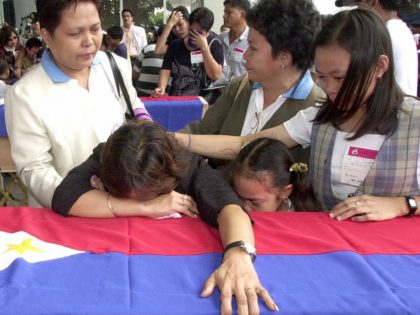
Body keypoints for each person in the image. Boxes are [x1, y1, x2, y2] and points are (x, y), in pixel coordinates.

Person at [176, 8, 420, 221]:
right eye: (321, 77)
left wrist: (404, 204)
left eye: (340, 78)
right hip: (330, 248)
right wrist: (173, 139)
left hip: (395, 258)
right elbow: (243, 144)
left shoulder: (414, 122)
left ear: (379, 67)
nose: (330, 89)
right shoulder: (318, 118)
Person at [52, 120, 278, 314]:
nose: (139, 200)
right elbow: (65, 196)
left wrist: (239, 255)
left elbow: (230, 207)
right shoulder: (108, 156)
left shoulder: (185, 165)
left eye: (147, 195)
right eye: (132, 197)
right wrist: (146, 206)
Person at [5, 0, 151, 208]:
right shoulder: (25, 94)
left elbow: (133, 105)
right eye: (75, 33)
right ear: (47, 35)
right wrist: (94, 203)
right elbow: (35, 169)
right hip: (66, 214)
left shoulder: (114, 65)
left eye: (95, 29)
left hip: (124, 197)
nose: (89, 41)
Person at [180, 0, 324, 171]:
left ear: (284, 56)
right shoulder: (238, 88)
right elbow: (202, 129)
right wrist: (166, 140)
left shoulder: (317, 110)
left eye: (253, 48)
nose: (245, 56)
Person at [153, 7, 224, 102]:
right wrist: (161, 88)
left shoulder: (214, 44)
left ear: (207, 32)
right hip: (178, 100)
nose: (194, 36)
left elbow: (215, 75)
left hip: (204, 103)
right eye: (191, 31)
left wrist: (204, 48)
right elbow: (166, 69)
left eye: (199, 33)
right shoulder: (176, 44)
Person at [231, 138, 319, 212]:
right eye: (238, 198)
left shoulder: (302, 224)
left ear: (285, 192)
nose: (245, 209)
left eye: (255, 202)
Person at [357, 0, 418, 95]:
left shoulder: (384, 32)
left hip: (390, 104)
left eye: (361, 3)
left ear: (373, 2)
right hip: (403, 102)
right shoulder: (402, 29)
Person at [219, 0, 251, 80]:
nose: (224, 16)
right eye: (224, 12)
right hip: (219, 90)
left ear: (243, 14)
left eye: (229, 12)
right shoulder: (220, 39)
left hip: (242, 90)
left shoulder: (251, 41)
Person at [133, 25, 168, 96]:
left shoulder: (147, 49)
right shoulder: (176, 51)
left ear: (158, 36)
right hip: (166, 96)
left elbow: (135, 74)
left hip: (142, 94)